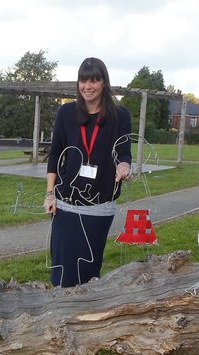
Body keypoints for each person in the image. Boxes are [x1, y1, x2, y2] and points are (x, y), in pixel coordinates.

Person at [44, 57, 132, 287]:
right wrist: (50, 193)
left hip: (99, 206)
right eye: (83, 80)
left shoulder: (120, 116)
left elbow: (124, 152)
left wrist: (124, 166)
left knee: (88, 271)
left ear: (104, 83)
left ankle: (85, 315)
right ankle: (60, 314)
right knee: (62, 271)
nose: (88, 86)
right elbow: (55, 155)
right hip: (66, 204)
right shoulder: (66, 113)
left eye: (94, 80)